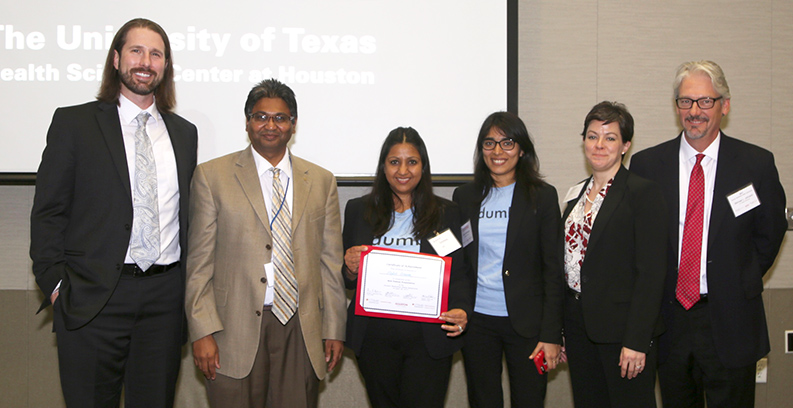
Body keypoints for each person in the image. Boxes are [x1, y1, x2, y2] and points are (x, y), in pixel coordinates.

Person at [29, 18, 197, 407]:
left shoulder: (184, 133)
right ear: (117, 58)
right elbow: (48, 212)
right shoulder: (74, 123)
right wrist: (56, 286)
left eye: (156, 54)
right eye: (136, 51)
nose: (145, 61)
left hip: (164, 301)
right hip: (92, 299)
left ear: (166, 65)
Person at [630, 61, 787, 408]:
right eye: (686, 102)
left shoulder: (756, 165)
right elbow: (640, 243)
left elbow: (770, 234)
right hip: (669, 323)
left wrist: (736, 277)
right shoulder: (647, 166)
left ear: (724, 105)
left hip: (731, 318)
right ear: (676, 107)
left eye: (705, 102)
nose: (695, 112)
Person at [185, 79, 346, 408]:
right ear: (247, 122)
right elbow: (199, 264)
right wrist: (201, 331)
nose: (270, 125)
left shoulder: (321, 181)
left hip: (301, 328)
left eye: (280, 118)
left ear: (293, 124)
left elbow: (330, 263)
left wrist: (334, 327)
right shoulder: (212, 176)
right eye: (260, 117)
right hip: (232, 328)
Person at [342, 127, 472, 407]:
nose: (403, 170)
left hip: (428, 340)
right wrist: (350, 267)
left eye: (412, 162)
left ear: (423, 167)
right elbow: (348, 279)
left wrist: (462, 309)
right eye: (394, 161)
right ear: (383, 167)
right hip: (375, 339)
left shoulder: (446, 213)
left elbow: (458, 273)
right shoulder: (357, 210)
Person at [452, 111, 564, 407]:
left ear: (522, 149)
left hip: (528, 324)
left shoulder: (543, 196)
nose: (498, 152)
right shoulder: (464, 196)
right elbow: (460, 261)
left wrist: (552, 334)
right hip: (478, 322)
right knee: (483, 400)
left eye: (507, 143)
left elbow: (554, 270)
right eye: (489, 144)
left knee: (530, 399)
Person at [561, 101, 667, 408]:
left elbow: (651, 273)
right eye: (592, 136)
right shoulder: (576, 195)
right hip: (580, 327)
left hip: (623, 333)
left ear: (625, 145)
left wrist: (636, 341)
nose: (599, 145)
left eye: (610, 138)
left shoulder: (642, 193)